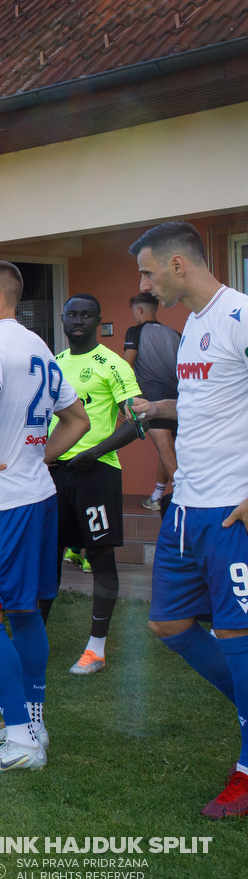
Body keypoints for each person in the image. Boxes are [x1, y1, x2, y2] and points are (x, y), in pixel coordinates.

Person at [126, 222, 248, 817]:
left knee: (236, 634)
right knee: (169, 625)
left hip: (231, 511)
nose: (144, 285)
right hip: (186, 507)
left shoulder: (238, 315)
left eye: (148, 272)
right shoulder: (193, 325)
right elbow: (208, 398)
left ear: (178, 264)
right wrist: (159, 407)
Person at [0, 261, 88, 773]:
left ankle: (21, 741)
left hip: (4, 503)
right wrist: (37, 457)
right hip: (38, 494)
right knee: (26, 610)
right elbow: (78, 419)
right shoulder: (38, 345)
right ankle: (33, 722)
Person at [45, 295, 143, 674]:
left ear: (99, 320)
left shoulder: (113, 364)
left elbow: (138, 422)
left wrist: (93, 452)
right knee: (47, 553)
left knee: (100, 556)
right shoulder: (56, 364)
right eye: (72, 314)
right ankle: (35, 636)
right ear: (64, 319)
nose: (79, 320)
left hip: (97, 471)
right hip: (55, 473)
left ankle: (96, 649)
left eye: (87, 314)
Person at [123, 290, 182, 511]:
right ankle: (157, 497)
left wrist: (125, 399)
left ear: (139, 310)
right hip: (177, 399)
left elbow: (127, 365)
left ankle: (183, 496)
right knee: (168, 449)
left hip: (152, 399)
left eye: (134, 312)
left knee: (165, 449)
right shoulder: (175, 332)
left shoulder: (135, 331)